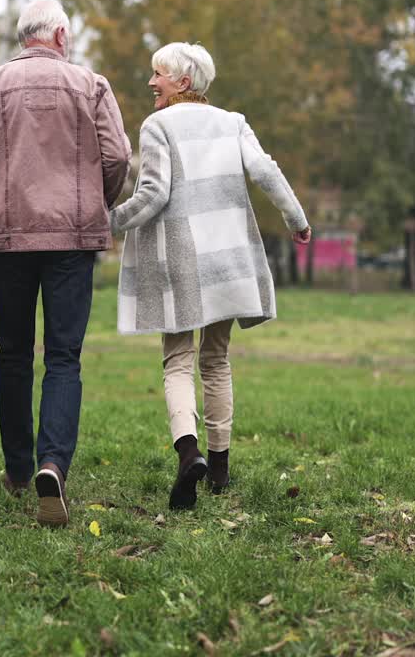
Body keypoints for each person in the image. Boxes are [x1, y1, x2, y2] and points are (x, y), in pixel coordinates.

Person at [0, 0, 131, 527]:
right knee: (64, 356)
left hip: (10, 238)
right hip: (73, 238)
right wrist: (98, 203)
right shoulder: (91, 84)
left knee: (12, 353)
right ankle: (54, 462)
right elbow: (117, 155)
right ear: (58, 33)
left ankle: (17, 468)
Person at [110, 42, 311, 509]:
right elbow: (265, 170)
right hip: (226, 259)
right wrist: (297, 220)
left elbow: (155, 193)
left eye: (157, 74)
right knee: (216, 359)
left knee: (177, 359)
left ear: (182, 82)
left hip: (179, 259)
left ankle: (188, 453)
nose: (150, 82)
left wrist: (111, 221)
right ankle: (219, 468)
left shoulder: (157, 124)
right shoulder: (232, 121)